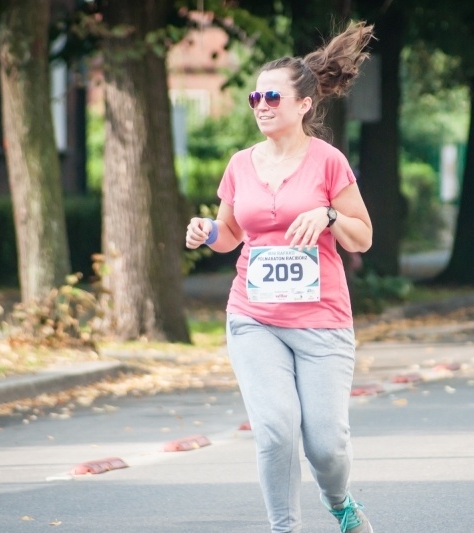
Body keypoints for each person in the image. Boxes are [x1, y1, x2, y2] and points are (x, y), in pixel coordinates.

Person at [185, 21, 375, 533]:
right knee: (273, 430)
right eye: (254, 97)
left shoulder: (328, 162)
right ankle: (284, 528)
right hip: (254, 317)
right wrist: (206, 231)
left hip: (321, 321)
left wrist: (330, 218)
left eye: (272, 96)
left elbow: (363, 236)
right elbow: (229, 234)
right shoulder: (240, 165)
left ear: (304, 105)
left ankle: (339, 503)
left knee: (326, 444)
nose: (261, 105)